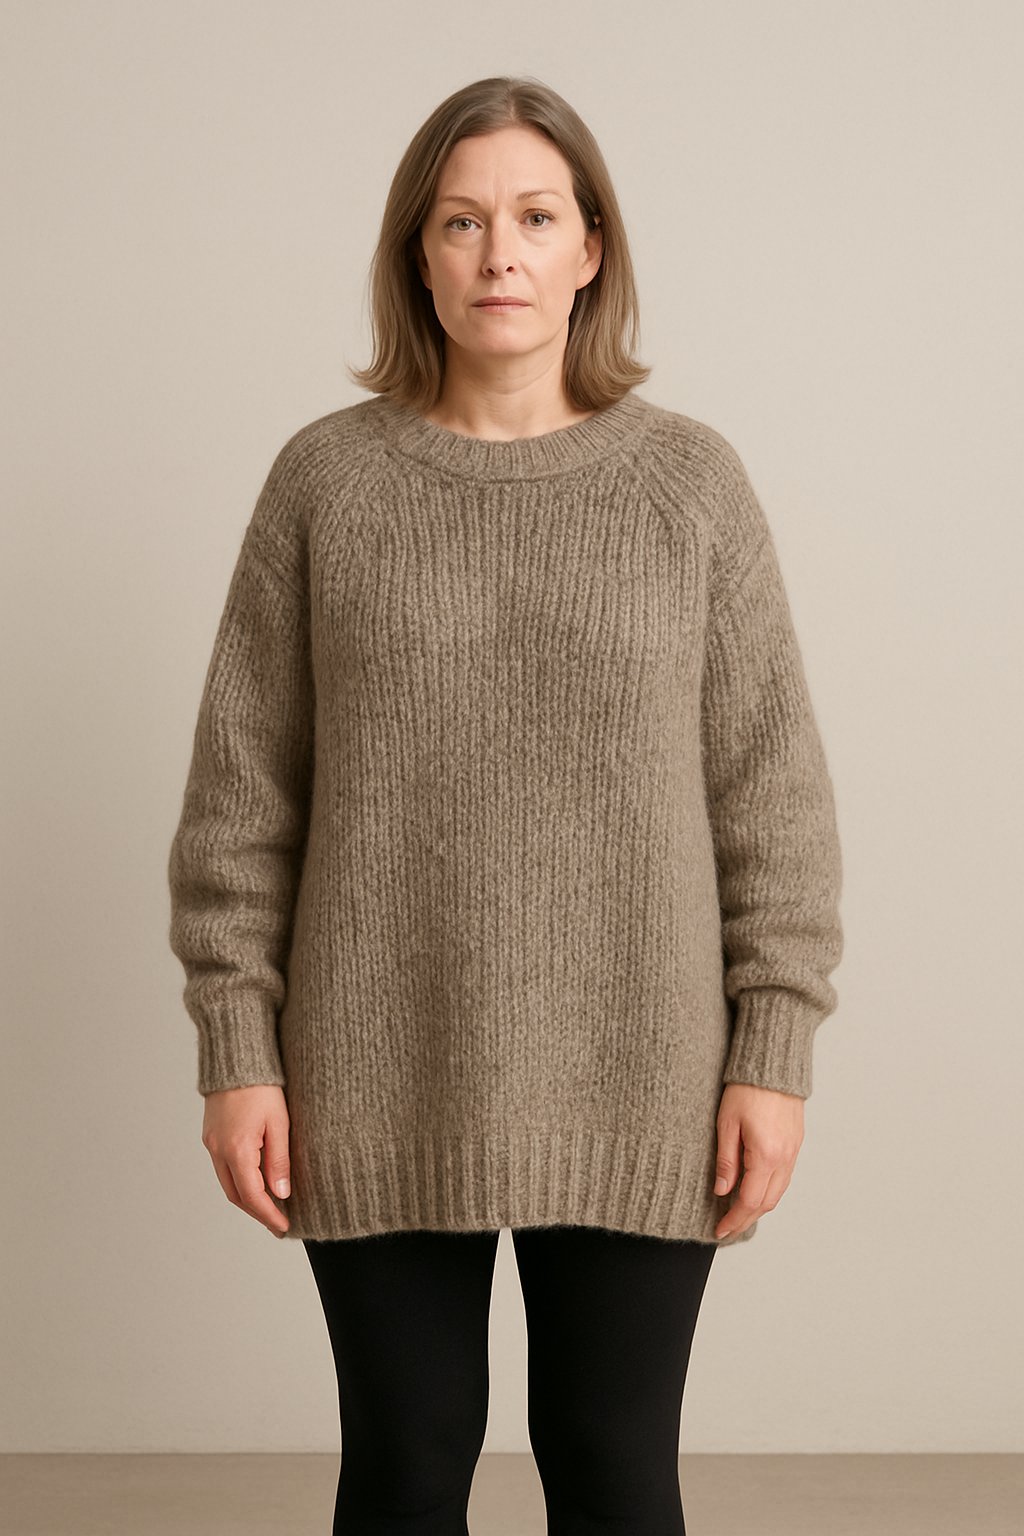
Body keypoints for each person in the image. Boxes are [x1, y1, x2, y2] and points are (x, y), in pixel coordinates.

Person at [167, 75, 843, 1536]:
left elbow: (772, 794)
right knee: (405, 1469)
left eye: (536, 218)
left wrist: (774, 1051)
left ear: (592, 248)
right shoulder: (327, 484)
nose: (499, 256)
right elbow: (242, 796)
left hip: (641, 1060)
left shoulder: (689, 486)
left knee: (612, 1468)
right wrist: (236, 1047)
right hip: (376, 1057)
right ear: (417, 253)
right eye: (462, 222)